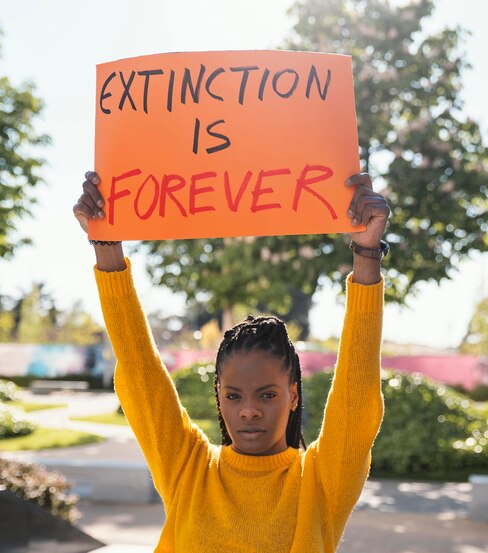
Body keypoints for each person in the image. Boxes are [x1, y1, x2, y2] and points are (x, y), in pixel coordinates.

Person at [73, 170, 390, 552]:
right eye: (234, 396)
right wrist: (106, 247)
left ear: (293, 396)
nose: (249, 411)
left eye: (268, 395)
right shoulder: (188, 470)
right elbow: (141, 374)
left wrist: (367, 255)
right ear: (219, 396)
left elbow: (356, 400)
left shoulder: (321, 482)